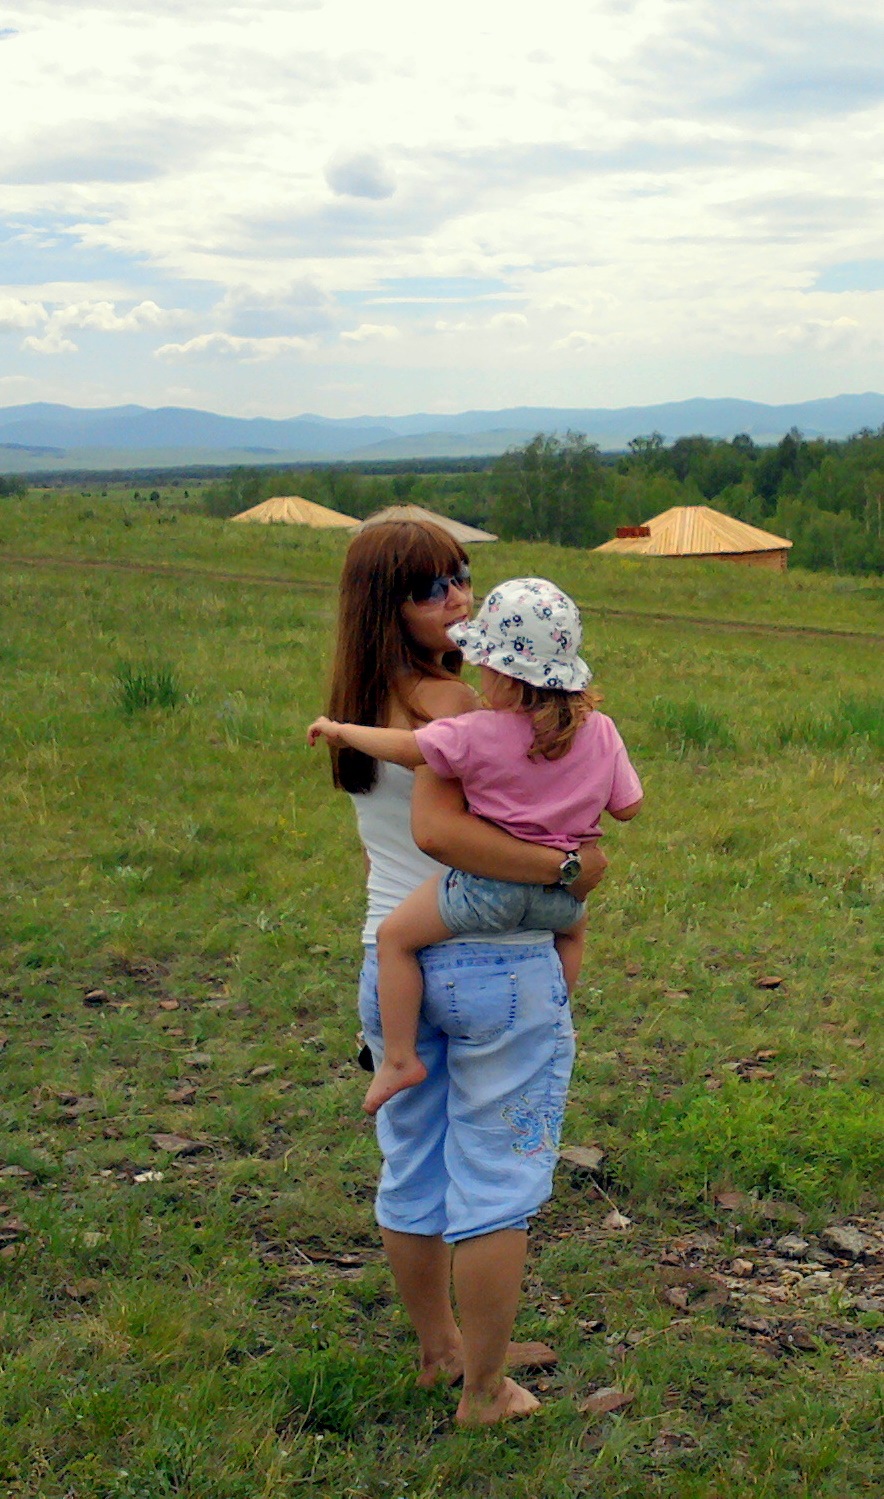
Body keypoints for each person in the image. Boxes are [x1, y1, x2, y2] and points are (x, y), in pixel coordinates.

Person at [318, 519, 609, 1426]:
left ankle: (441, 1347)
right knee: (498, 1177)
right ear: (387, 606)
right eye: (430, 587)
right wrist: (571, 868)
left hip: (392, 956)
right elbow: (448, 834)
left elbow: (391, 847)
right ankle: (485, 1387)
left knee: (411, 1164)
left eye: (461, 576)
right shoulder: (460, 707)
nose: (456, 597)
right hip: (495, 959)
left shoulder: (365, 703)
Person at [308, 576, 643, 1117]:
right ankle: (554, 1012)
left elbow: (410, 749)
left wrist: (343, 731)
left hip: (488, 891)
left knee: (395, 938)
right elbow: (628, 807)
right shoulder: (601, 730)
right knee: (574, 935)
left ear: (503, 675)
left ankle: (398, 1058)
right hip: (563, 897)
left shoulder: (479, 731)